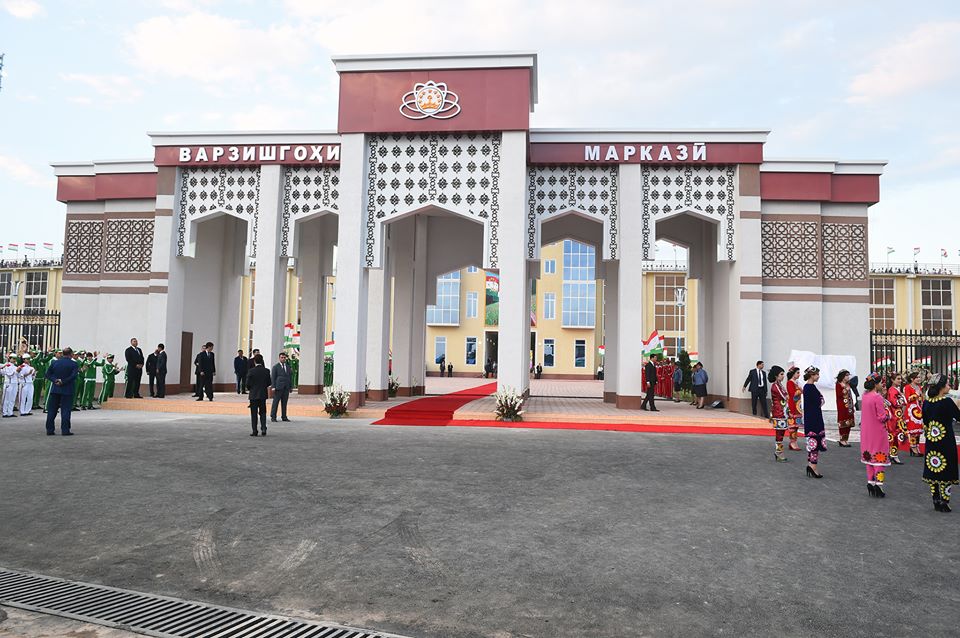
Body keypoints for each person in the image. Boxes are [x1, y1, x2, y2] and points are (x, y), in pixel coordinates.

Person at [921, 373, 960, 512]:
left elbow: (925, 422)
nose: (949, 386)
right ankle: (945, 501)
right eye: (948, 384)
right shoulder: (947, 402)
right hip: (946, 440)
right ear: (941, 387)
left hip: (932, 440)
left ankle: (935, 499)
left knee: (934, 468)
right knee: (946, 469)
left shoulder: (926, 402)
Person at [860, 373, 891, 498]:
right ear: (876, 384)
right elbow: (882, 417)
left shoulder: (865, 395)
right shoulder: (877, 397)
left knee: (869, 458)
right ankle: (879, 485)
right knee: (879, 458)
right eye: (881, 382)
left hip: (866, 432)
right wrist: (889, 412)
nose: (882, 385)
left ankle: (870, 482)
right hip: (878, 432)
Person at [45, 347, 79, 436]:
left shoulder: (55, 363)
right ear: (71, 354)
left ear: (63, 354)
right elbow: (73, 376)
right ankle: (65, 430)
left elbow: (47, 374)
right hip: (67, 390)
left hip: (55, 389)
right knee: (66, 411)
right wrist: (63, 381)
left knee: (52, 410)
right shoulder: (74, 364)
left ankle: (49, 429)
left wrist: (55, 380)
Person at [803, 366, 825, 478]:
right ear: (812, 375)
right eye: (817, 374)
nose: (818, 376)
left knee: (812, 442)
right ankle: (813, 466)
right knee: (815, 442)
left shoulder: (808, 387)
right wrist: (821, 398)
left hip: (811, 417)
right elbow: (819, 401)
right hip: (814, 418)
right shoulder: (810, 388)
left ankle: (810, 465)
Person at [246, 353, 270, 436]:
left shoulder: (251, 371)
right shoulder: (266, 371)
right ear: (262, 361)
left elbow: (247, 384)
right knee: (263, 412)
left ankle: (254, 430)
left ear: (254, 361)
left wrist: (251, 389)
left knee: (254, 413)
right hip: (263, 394)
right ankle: (263, 428)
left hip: (253, 395)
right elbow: (269, 382)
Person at [885, 372, 906, 465]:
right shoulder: (892, 390)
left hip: (897, 415)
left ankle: (893, 454)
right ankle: (893, 455)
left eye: (900, 379)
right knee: (895, 435)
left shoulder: (895, 390)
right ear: (892, 380)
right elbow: (895, 403)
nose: (900, 381)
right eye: (898, 379)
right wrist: (902, 400)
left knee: (895, 436)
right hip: (894, 416)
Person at [769, 365, 788, 462]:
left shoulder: (780, 385)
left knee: (782, 432)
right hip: (778, 412)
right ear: (776, 376)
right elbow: (785, 396)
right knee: (779, 433)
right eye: (781, 374)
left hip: (782, 411)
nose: (783, 376)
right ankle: (778, 452)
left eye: (783, 374)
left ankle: (779, 452)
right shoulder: (775, 386)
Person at [902, 370, 924, 457]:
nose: (919, 379)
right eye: (917, 377)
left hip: (918, 410)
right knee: (913, 430)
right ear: (912, 379)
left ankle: (916, 447)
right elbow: (907, 399)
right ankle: (913, 447)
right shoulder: (907, 387)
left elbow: (921, 399)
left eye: (919, 377)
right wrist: (916, 394)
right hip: (911, 410)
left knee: (918, 430)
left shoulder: (919, 387)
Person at [270, 351, 293, 423]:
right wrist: (273, 387)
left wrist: (290, 387)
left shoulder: (288, 367)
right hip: (278, 387)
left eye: (284, 357)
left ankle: (284, 416)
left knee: (284, 403)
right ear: (279, 358)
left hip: (286, 387)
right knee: (275, 402)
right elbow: (273, 377)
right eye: (282, 357)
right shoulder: (275, 367)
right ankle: (273, 416)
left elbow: (290, 377)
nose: (283, 359)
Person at [835, 369, 855, 447]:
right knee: (843, 423)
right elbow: (839, 395)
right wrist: (845, 389)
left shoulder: (848, 384)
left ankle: (846, 439)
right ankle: (842, 440)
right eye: (846, 375)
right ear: (842, 376)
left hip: (849, 406)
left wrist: (852, 406)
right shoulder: (838, 384)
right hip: (842, 407)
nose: (848, 377)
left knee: (849, 423)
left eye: (848, 375)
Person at [785, 367, 803, 451]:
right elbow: (793, 394)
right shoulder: (790, 382)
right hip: (793, 406)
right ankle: (792, 442)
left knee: (796, 426)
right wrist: (800, 390)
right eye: (797, 373)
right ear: (793, 373)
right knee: (792, 425)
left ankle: (794, 442)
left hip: (797, 407)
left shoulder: (796, 383)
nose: (799, 374)